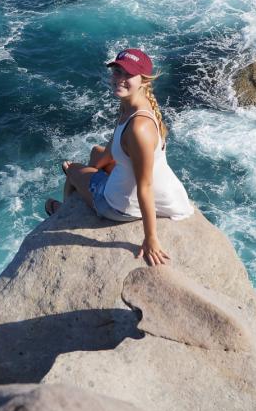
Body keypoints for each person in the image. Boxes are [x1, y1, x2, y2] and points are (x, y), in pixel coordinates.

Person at [44, 48, 194, 266]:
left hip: (118, 203)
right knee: (96, 152)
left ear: (144, 80)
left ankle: (64, 214)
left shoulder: (139, 128)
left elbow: (145, 187)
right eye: (117, 71)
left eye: (128, 74)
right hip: (149, 186)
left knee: (73, 170)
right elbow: (110, 151)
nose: (119, 79)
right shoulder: (134, 106)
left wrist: (150, 238)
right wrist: (96, 166)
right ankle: (82, 188)